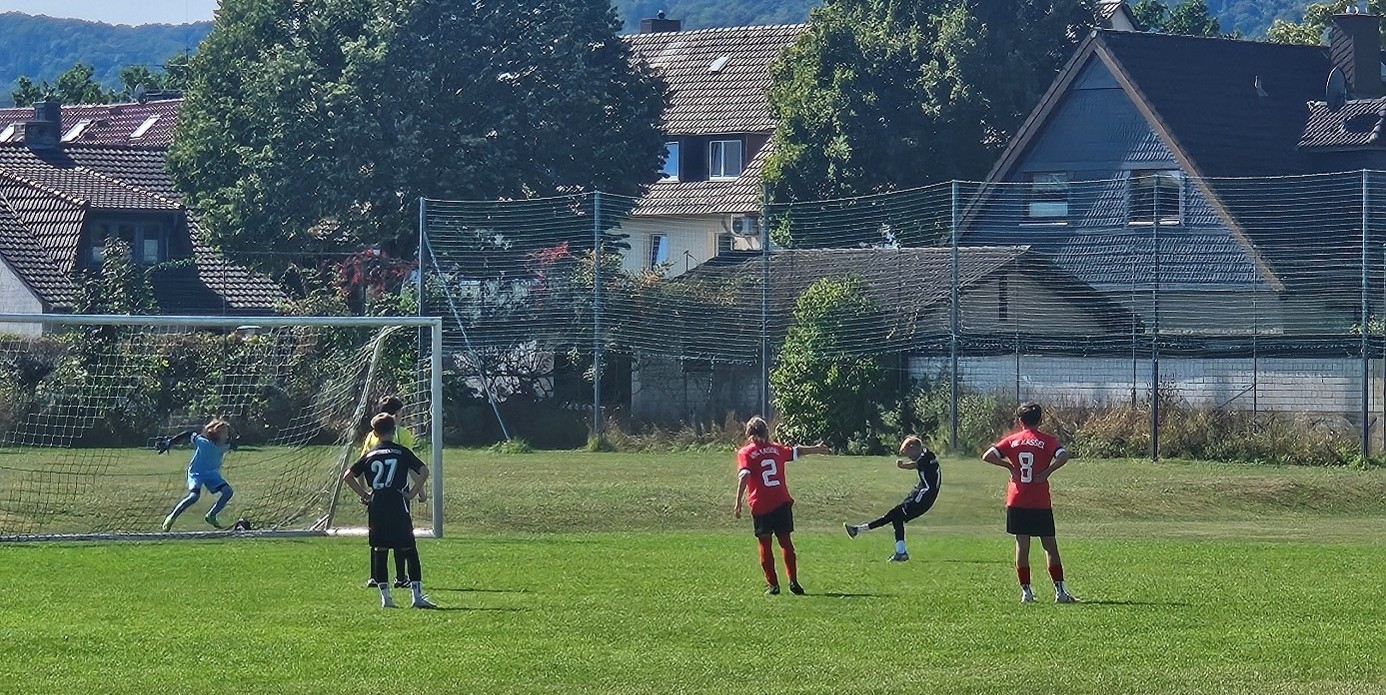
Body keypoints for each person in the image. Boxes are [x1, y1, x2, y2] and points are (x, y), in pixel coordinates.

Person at [982, 402, 1077, 604]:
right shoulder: (1047, 440)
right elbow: (1063, 455)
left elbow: (987, 456)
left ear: (1020, 421)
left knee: (1022, 546)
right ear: (1040, 420)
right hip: (1039, 500)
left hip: (1017, 499)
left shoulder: (1012, 440)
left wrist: (1009, 466)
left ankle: (1026, 592)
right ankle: (1060, 592)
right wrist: (1047, 472)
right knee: (1049, 546)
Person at [344, 413, 436, 609]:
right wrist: (412, 493)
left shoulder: (369, 455)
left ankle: (386, 598)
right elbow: (424, 471)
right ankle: (417, 597)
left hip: (377, 504)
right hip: (397, 503)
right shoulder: (401, 452)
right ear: (394, 431)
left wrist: (365, 495)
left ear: (375, 433)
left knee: (380, 549)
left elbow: (348, 476)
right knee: (409, 548)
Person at [732, 416, 830, 595]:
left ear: (748, 433)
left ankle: (773, 585)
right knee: (786, 542)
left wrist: (737, 501)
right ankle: (793, 581)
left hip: (760, 503)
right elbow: (796, 451)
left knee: (765, 544)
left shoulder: (745, 452)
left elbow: (745, 475)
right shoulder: (776, 449)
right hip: (781, 500)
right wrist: (816, 448)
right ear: (766, 432)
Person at [360, 396, 425, 589]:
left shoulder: (371, 435)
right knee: (401, 533)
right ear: (396, 415)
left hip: (377, 493)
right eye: (401, 413)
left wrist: (364, 492)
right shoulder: (402, 434)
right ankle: (401, 576)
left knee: (376, 534)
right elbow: (411, 465)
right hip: (398, 492)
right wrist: (419, 491)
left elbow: (361, 464)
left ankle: (375, 576)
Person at [843, 435, 940, 562]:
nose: (908, 456)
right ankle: (899, 551)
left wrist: (902, 465)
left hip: (923, 497)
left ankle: (859, 530)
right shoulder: (928, 454)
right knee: (896, 517)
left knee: (894, 515)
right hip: (920, 494)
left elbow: (915, 465)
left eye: (908, 453)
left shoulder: (924, 457)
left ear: (913, 448)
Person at [159, 419, 236, 531]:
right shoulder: (203, 442)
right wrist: (170, 442)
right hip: (196, 473)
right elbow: (188, 434)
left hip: (212, 474)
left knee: (228, 492)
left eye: (227, 433)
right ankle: (171, 517)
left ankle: (211, 515)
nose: (227, 436)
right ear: (215, 433)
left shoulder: (225, 446)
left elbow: (234, 444)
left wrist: (235, 442)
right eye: (224, 433)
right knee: (194, 496)